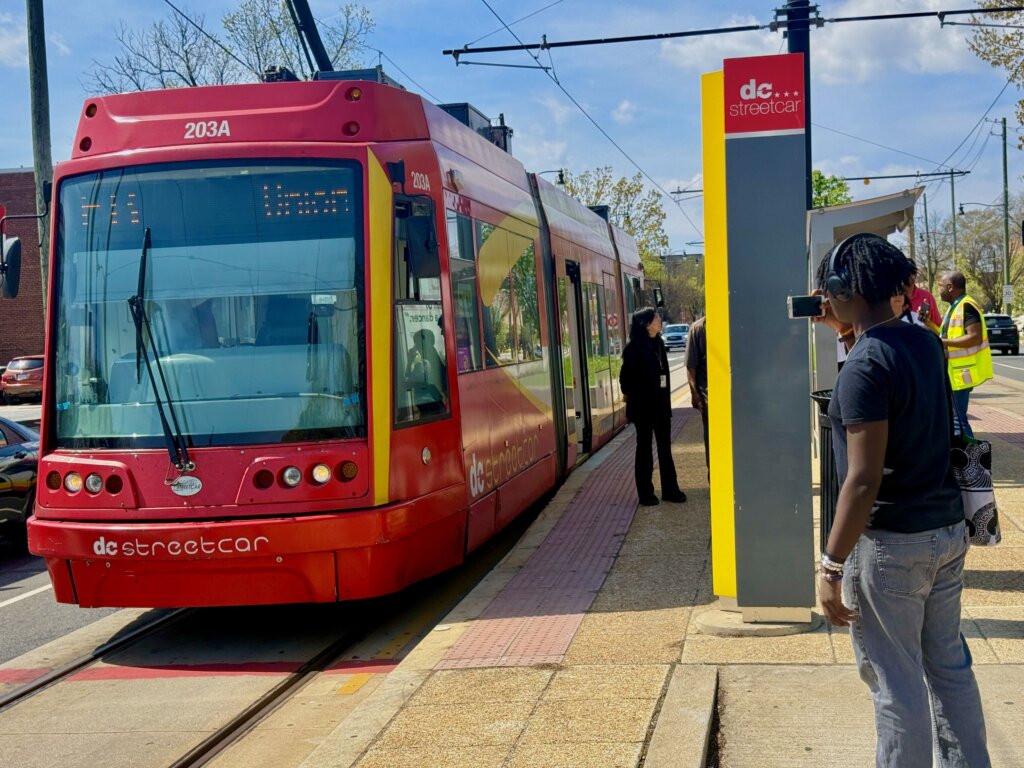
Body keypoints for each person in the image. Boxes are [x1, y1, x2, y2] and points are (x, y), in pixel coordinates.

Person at [815, 233, 990, 768]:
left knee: (895, 682)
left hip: (892, 547)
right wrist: (848, 331)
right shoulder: (924, 343)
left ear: (842, 291)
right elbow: (890, 373)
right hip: (946, 532)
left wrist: (830, 564)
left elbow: (863, 480)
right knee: (949, 665)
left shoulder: (864, 366)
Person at [619, 307, 686, 506]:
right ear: (646, 324)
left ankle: (670, 490)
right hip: (643, 410)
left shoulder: (658, 343)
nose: (660, 320)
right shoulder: (634, 349)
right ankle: (646, 494)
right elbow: (625, 381)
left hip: (661, 408)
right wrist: (639, 396)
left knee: (665, 449)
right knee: (645, 450)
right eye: (656, 318)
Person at [937, 271, 992, 438]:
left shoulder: (966, 306)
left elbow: (974, 337)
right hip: (955, 372)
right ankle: (963, 460)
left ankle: (970, 461)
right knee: (955, 419)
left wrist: (943, 343)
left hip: (962, 373)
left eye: (940, 285)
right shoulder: (956, 307)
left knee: (958, 420)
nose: (938, 290)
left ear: (950, 287)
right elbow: (947, 336)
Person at [684, 315, 709, 473]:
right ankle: (714, 480)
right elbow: (690, 366)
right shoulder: (698, 328)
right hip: (709, 396)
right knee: (712, 438)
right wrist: (695, 394)